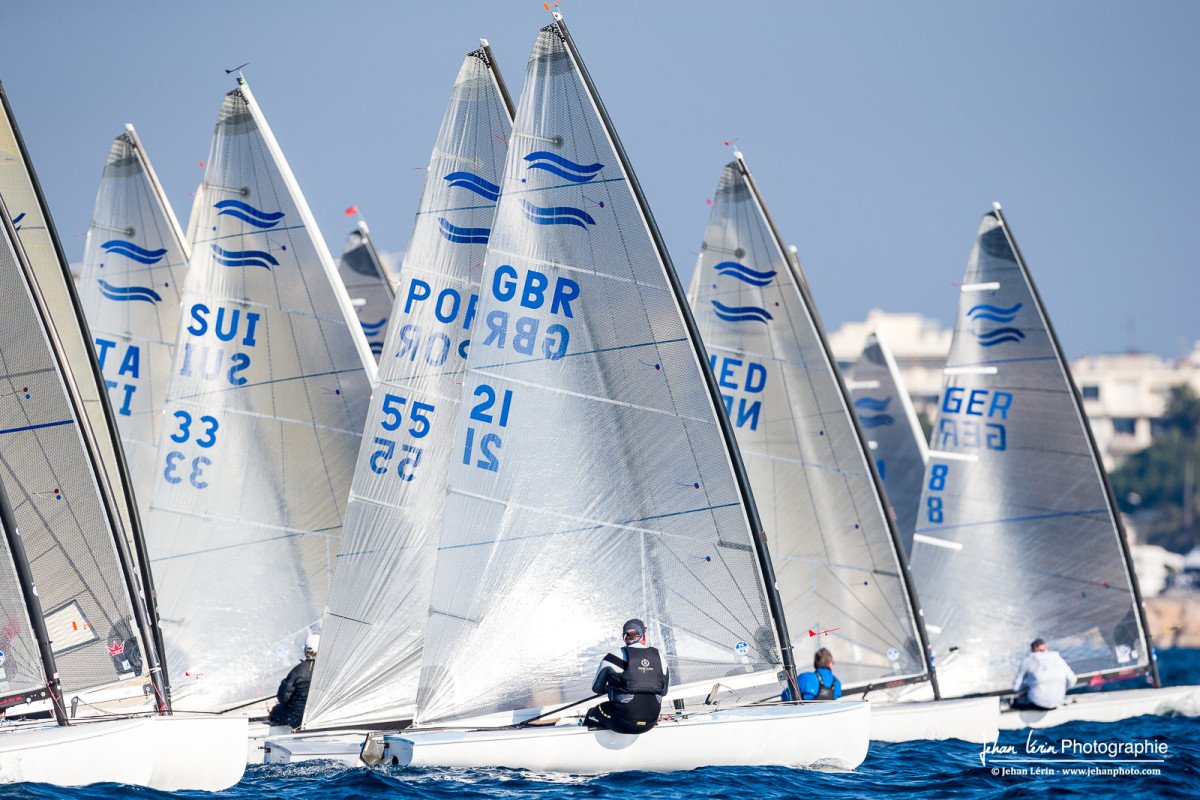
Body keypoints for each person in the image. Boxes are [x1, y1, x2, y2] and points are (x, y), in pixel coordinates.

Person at [582, 619, 669, 734]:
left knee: (593, 713)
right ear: (643, 635)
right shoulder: (660, 658)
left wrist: (612, 687)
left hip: (622, 722)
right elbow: (664, 692)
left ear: (625, 636)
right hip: (650, 723)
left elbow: (597, 689)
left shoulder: (612, 657)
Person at [1011, 637, 1076, 710]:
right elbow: (1072, 680)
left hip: (1037, 704)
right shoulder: (1058, 658)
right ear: (1046, 647)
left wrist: (1027, 686)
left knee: (1017, 700)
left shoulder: (1028, 660)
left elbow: (1016, 687)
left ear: (1034, 649)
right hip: (1057, 702)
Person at [268, 634, 318, 728]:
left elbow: (283, 697)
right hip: (321, 716)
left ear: (305, 650)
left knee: (277, 710)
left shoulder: (297, 671)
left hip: (297, 719)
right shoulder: (328, 672)